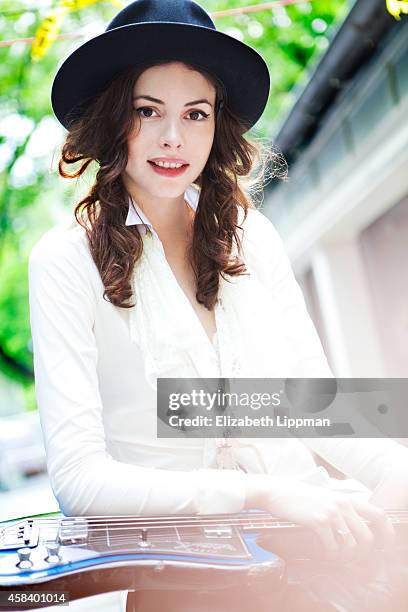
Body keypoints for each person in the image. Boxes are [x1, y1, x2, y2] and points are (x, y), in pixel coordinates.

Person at [28, 1, 408, 610]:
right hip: (186, 581)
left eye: (195, 114)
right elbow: (79, 481)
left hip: (317, 556)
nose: (173, 137)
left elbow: (316, 402)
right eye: (146, 111)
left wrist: (395, 466)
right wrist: (259, 495)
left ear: (216, 126)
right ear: (110, 121)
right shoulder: (65, 262)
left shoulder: (252, 236)